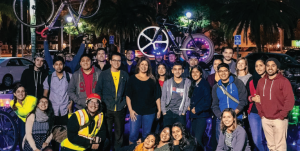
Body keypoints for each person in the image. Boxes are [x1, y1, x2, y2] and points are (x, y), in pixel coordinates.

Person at [255, 58, 295, 151]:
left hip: (279, 119)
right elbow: (258, 99)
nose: (270, 68)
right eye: (268, 65)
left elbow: (289, 100)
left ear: (277, 68)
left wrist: (282, 115)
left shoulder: (284, 81)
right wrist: (262, 114)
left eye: (273, 65)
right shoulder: (261, 82)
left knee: (280, 147)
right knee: (271, 146)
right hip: (265, 119)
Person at [95, 52, 129, 150]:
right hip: (106, 107)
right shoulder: (104, 74)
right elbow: (98, 90)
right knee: (107, 133)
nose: (117, 63)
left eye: (119, 60)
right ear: (110, 61)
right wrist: (101, 105)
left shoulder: (124, 74)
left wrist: (125, 104)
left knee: (119, 134)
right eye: (114, 60)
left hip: (120, 108)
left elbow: (128, 91)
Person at [126, 57, 161, 144]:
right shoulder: (132, 79)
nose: (144, 66)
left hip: (150, 112)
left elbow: (157, 96)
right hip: (135, 111)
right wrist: (130, 110)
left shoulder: (153, 80)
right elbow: (128, 96)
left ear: (148, 67)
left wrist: (159, 110)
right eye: (142, 64)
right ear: (138, 66)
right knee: (133, 135)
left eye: (146, 65)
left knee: (146, 135)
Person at [211, 63, 248, 141]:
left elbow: (243, 100)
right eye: (220, 71)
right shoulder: (216, 87)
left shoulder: (238, 83)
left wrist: (233, 114)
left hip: (237, 118)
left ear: (229, 71)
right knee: (222, 143)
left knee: (238, 142)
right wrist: (221, 116)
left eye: (225, 71)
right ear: (218, 73)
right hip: (222, 119)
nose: (223, 73)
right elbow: (214, 105)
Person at [43, 56, 72, 151]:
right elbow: (45, 95)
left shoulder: (69, 77)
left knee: (66, 136)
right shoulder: (49, 78)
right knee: (54, 137)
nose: (59, 66)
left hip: (65, 110)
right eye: (56, 64)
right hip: (53, 112)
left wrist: (71, 103)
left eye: (60, 64)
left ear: (63, 65)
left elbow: (72, 92)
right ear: (53, 66)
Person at [188, 65, 211, 150]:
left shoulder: (204, 84)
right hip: (194, 116)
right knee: (194, 139)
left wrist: (197, 109)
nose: (195, 74)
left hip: (201, 116)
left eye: (197, 72)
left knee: (198, 139)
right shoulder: (193, 83)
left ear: (201, 73)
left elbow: (208, 102)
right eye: (193, 72)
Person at [245, 59, 267, 151]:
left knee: (269, 139)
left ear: (265, 66)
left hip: (268, 113)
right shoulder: (251, 80)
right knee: (257, 140)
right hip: (254, 113)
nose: (258, 68)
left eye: (261, 65)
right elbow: (246, 96)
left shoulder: (270, 79)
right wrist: (252, 98)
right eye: (256, 66)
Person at [161, 62, 191, 127]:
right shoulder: (167, 82)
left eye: (179, 69)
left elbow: (187, 99)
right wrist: (164, 112)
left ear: (182, 71)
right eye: (175, 69)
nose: (177, 71)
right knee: (168, 133)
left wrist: (183, 112)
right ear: (172, 71)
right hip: (168, 112)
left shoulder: (187, 82)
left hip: (180, 113)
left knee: (180, 133)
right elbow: (163, 98)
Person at [10, 83, 38, 151]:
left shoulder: (33, 99)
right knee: (22, 136)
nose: (21, 93)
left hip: (34, 120)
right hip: (23, 119)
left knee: (32, 137)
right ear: (14, 94)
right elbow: (19, 115)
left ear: (25, 93)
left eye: (23, 91)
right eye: (18, 91)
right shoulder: (12, 103)